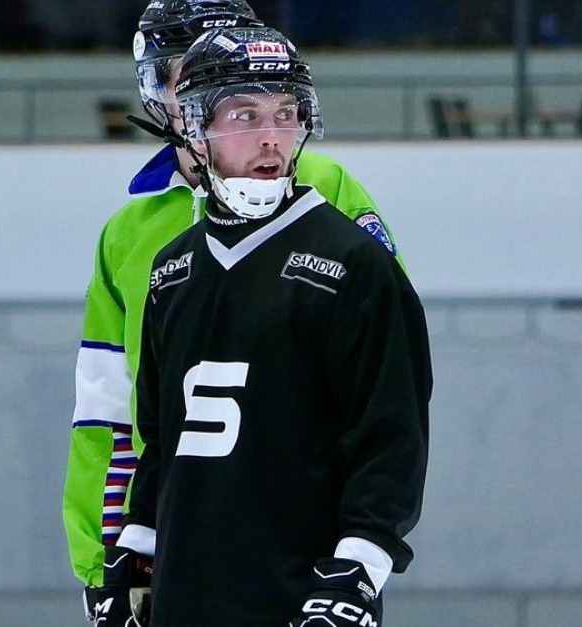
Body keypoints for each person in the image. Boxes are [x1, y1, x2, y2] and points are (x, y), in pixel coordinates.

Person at [61, 1, 406, 624]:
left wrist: (359, 556)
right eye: (178, 72)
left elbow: (387, 380)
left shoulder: (326, 193)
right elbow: (109, 417)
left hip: (297, 552)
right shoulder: (130, 237)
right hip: (180, 546)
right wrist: (109, 556)